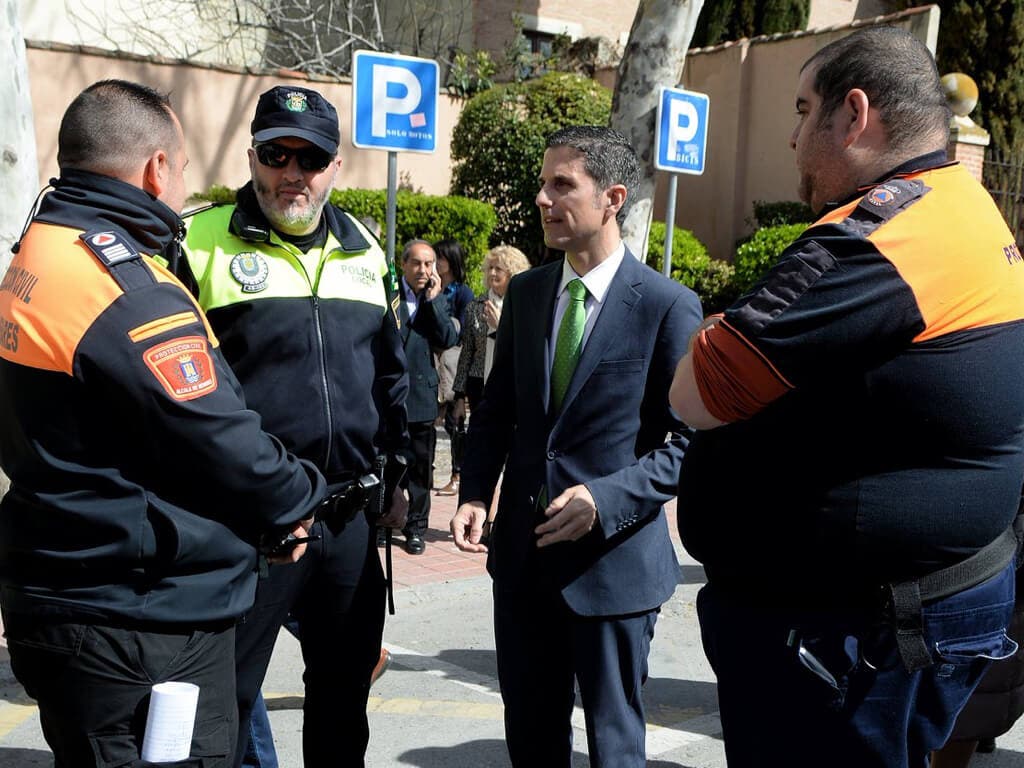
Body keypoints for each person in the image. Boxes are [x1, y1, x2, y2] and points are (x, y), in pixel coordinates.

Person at [668, 26, 1024, 768]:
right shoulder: (962, 202)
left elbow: (697, 391)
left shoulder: (877, 240)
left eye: (803, 112)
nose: (795, 137)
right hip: (922, 605)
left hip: (853, 638)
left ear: (854, 114)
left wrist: (716, 331)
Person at [0, 79, 327, 767]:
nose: (182, 184)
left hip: (64, 589)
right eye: (179, 168)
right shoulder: (125, 288)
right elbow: (220, 438)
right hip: (139, 619)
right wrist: (299, 496)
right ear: (155, 169)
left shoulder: (41, 249)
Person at [172, 84, 410, 768]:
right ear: (253, 156)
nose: (292, 172)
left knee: (341, 702)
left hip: (349, 518)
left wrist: (402, 478)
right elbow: (178, 395)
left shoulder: (366, 249)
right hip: (248, 524)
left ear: (336, 167)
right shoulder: (197, 241)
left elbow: (391, 377)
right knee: (226, 698)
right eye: (277, 153)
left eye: (311, 158)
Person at [450, 125, 703, 767]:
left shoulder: (667, 307)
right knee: (532, 740)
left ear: (612, 197)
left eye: (562, 185)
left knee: (614, 748)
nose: (542, 198)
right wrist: (476, 490)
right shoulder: (530, 293)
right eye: (543, 183)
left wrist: (606, 498)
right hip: (523, 563)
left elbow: (690, 442)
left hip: (613, 567)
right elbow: (499, 408)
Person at [398, 239, 459, 554]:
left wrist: (434, 300)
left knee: (422, 470)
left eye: (429, 264)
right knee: (389, 466)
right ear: (404, 265)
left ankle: (416, 528)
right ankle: (385, 522)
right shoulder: (388, 295)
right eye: (417, 263)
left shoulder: (436, 299)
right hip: (388, 397)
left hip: (421, 396)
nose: (424, 270)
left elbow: (448, 337)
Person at [451, 244, 532, 419]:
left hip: (512, 384)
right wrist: (458, 397)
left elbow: (526, 347)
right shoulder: (475, 306)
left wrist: (500, 325)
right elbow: (467, 354)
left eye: (498, 269)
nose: (492, 273)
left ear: (512, 272)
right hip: (478, 386)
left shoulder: (524, 306)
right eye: (490, 268)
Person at [432, 238, 474, 497]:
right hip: (431, 362)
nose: (436, 263)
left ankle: (458, 474)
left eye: (440, 258)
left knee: (453, 423)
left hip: (451, 364)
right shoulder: (432, 287)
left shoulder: (462, 292)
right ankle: (428, 471)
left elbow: (464, 332)